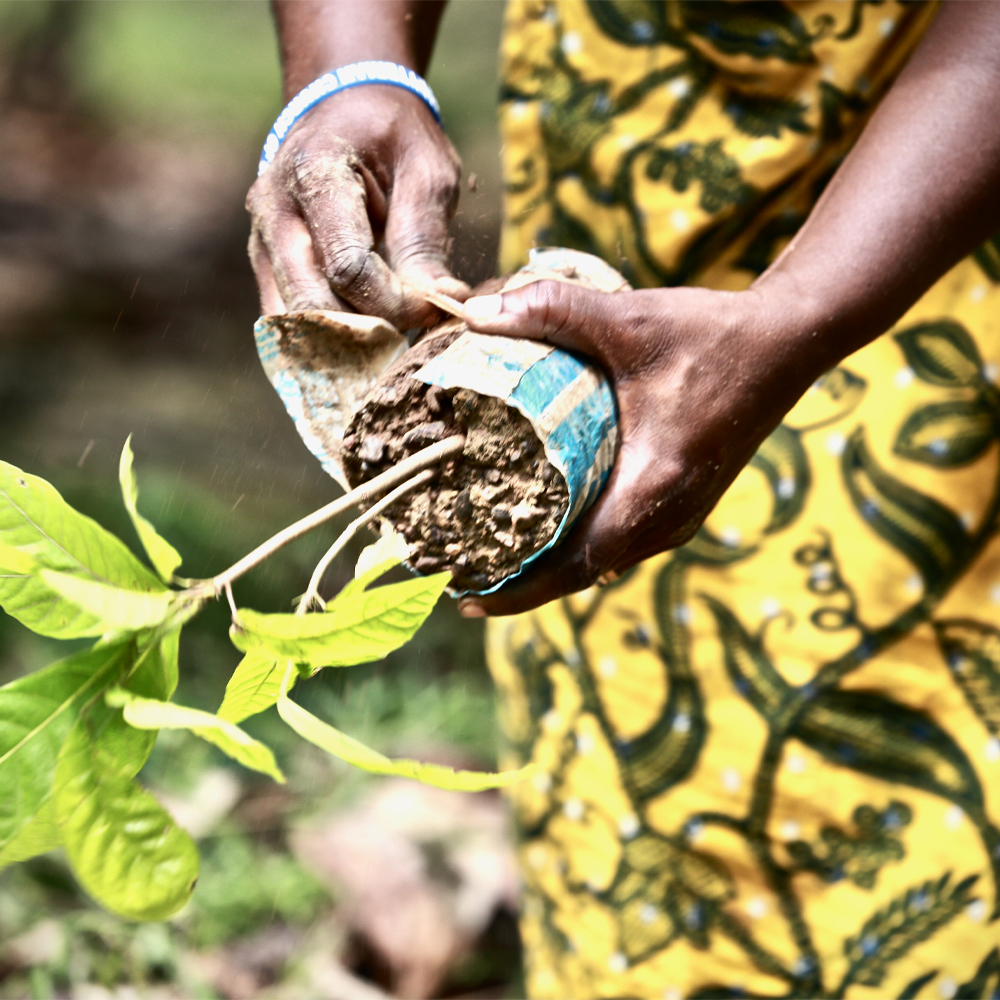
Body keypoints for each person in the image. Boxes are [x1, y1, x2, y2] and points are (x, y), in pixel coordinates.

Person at [247, 2, 1000, 996]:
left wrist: (801, 309)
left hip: (934, 216)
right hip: (610, 172)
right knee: (626, 787)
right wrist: (347, 75)